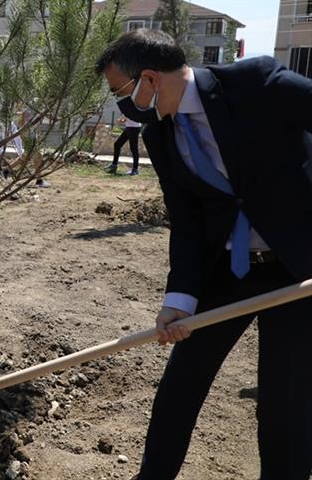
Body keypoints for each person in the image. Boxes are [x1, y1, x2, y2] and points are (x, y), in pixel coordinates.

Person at [95, 29, 312, 480]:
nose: (122, 106)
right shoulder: (161, 133)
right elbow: (187, 222)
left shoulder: (255, 84)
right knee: (181, 383)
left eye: (121, 91)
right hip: (227, 271)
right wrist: (179, 301)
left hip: (297, 269)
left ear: (149, 80)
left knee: (285, 400)